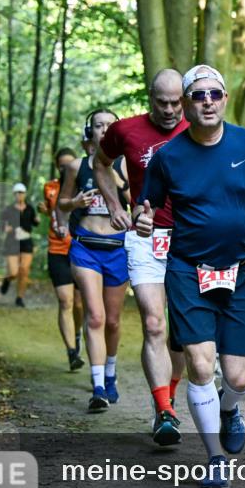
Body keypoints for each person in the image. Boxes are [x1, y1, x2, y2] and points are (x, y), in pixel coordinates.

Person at [137, 64, 245, 488]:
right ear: (185, 103)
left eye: (214, 94)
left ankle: (229, 409)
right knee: (201, 365)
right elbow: (145, 206)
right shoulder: (168, 156)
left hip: (241, 271)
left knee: (238, 378)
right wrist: (143, 220)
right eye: (198, 95)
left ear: (223, 99)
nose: (207, 101)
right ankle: (215, 457)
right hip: (187, 270)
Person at [94, 68, 189, 445]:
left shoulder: (201, 129)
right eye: (162, 102)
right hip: (145, 235)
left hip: (190, 240)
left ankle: (171, 399)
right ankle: (163, 410)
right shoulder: (126, 130)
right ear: (150, 99)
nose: (169, 110)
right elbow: (100, 163)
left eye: (176, 102)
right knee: (153, 324)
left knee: (181, 336)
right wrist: (115, 204)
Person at [58, 108, 128, 413]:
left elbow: (137, 200)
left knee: (112, 321)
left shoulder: (126, 165)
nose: (104, 130)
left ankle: (110, 373)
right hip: (85, 247)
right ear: (91, 132)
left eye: (110, 126)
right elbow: (62, 202)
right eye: (99, 126)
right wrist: (74, 203)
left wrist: (111, 171)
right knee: (96, 316)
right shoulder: (77, 166)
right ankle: (98, 386)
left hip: (118, 248)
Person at [40, 147, 86, 372]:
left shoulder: (82, 188)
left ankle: (77, 335)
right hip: (57, 250)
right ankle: (71, 353)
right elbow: (54, 211)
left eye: (70, 164)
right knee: (65, 301)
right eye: (62, 165)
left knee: (78, 303)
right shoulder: (49, 187)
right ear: (57, 166)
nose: (66, 168)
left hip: (80, 249)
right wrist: (45, 211)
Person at [0, 183, 39, 308]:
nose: (19, 195)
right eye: (17, 193)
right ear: (14, 194)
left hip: (26, 240)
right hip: (12, 241)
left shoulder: (30, 208)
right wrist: (6, 228)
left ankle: (19, 297)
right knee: (14, 272)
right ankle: (7, 279)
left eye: (21, 192)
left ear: (25, 194)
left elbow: (35, 222)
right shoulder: (8, 209)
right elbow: (1, 225)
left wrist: (37, 220)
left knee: (24, 270)